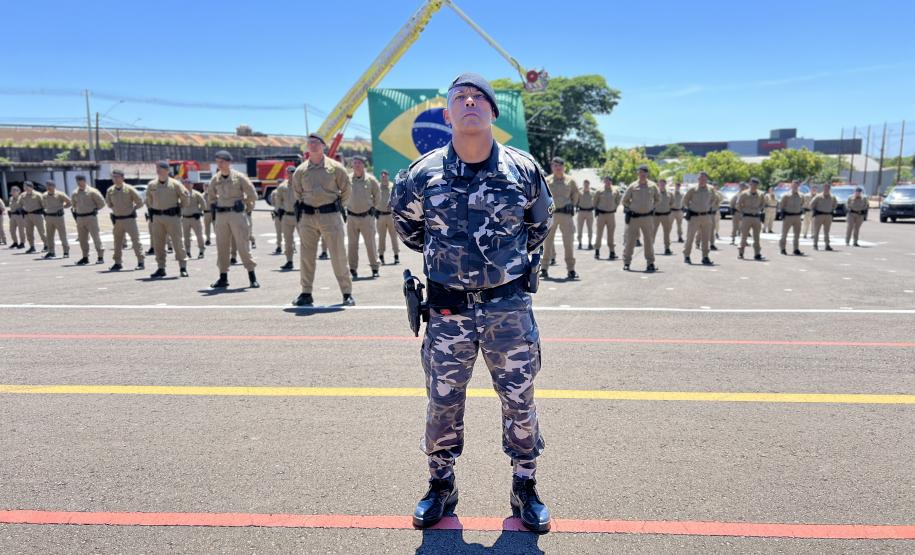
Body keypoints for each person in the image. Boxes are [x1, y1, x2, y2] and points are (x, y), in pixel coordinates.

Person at [392, 73, 553, 533]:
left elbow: (538, 225)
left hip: (508, 308)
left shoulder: (522, 170)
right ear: (447, 115)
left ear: (492, 114)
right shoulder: (422, 175)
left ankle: (526, 485)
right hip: (448, 312)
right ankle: (440, 484)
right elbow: (409, 231)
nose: (469, 101)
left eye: (478, 96)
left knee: (519, 398)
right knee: (442, 400)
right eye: (459, 97)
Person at [291, 134, 354, 306]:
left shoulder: (335, 168)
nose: (312, 145)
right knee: (306, 256)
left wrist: (338, 206)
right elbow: (297, 192)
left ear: (323, 146)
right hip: (308, 217)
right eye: (310, 143)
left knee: (338, 255)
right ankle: (306, 293)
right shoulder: (301, 170)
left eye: (316, 142)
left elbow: (346, 190)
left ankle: (346, 293)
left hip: (330, 216)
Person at [208, 151, 259, 288]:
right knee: (222, 246)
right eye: (217, 162)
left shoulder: (239, 177)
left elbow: (252, 194)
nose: (219, 164)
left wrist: (245, 207)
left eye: (221, 161)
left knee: (243, 245)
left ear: (228, 162)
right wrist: (215, 207)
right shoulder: (215, 179)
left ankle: (252, 276)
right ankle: (223, 277)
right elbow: (211, 197)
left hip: (237, 215)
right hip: (221, 216)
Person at [147, 161, 189, 278]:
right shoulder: (152, 185)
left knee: (177, 243)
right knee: (158, 244)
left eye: (160, 168)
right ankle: (161, 268)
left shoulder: (175, 184)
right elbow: (149, 200)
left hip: (172, 217)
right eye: (157, 168)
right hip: (157, 218)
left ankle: (183, 267)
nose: (158, 170)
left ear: (166, 170)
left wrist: (178, 208)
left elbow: (185, 199)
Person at [542, 156, 578, 279]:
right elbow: (541, 196)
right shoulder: (546, 181)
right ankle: (544, 268)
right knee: (547, 243)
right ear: (552, 167)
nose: (558, 168)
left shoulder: (571, 181)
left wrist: (572, 205)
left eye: (560, 165)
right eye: (555, 166)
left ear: (564, 167)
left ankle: (571, 269)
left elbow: (576, 195)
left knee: (568, 243)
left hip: (566, 215)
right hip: (551, 215)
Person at [346, 155, 381, 278]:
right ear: (352, 165)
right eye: (355, 163)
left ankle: (375, 268)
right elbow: (342, 194)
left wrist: (373, 207)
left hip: (367, 217)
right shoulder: (347, 180)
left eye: (359, 163)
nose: (357, 165)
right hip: (351, 217)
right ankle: (352, 269)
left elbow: (378, 196)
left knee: (370, 244)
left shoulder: (371, 180)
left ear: (363, 165)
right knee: (352, 245)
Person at [621, 164, 660, 272]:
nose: (642, 174)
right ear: (638, 173)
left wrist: (652, 206)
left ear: (647, 173)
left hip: (647, 218)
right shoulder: (633, 186)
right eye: (640, 172)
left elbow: (658, 199)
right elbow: (624, 200)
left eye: (644, 172)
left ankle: (650, 263)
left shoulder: (652, 186)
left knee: (648, 241)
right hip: (634, 217)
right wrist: (630, 208)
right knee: (630, 241)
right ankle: (627, 262)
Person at [106, 168, 145, 271]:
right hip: (118, 220)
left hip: (129, 219)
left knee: (135, 241)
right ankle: (117, 263)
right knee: (117, 242)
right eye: (113, 177)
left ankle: (141, 261)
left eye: (117, 176)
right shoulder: (110, 190)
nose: (115, 179)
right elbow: (109, 203)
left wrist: (133, 209)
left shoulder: (129, 189)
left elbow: (140, 202)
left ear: (122, 177)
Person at [682, 171, 716, 265]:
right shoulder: (693, 189)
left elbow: (714, 199)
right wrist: (690, 208)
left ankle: (705, 256)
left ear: (707, 179)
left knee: (706, 238)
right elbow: (685, 200)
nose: (702, 180)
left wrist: (709, 206)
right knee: (690, 237)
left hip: (706, 216)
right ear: (698, 179)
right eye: (700, 178)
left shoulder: (711, 189)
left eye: (704, 179)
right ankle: (687, 255)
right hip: (694, 216)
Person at [274, 165, 299, 270]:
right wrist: (278, 209)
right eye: (289, 172)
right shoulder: (282, 186)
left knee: (306, 240)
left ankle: (306, 261)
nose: (290, 174)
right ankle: (289, 261)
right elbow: (278, 199)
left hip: (299, 216)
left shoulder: (300, 185)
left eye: (293, 172)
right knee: (287, 240)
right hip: (286, 216)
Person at [735, 177, 765, 260]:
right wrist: (743, 212)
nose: (754, 186)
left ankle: (757, 254)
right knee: (744, 236)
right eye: (752, 184)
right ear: (749, 184)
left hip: (756, 218)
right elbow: (737, 205)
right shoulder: (744, 193)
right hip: (746, 217)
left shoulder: (761, 194)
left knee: (757, 237)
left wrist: (759, 209)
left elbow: (763, 204)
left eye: (756, 184)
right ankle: (741, 253)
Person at [40, 180, 71, 259]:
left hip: (58, 217)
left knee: (62, 235)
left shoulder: (60, 194)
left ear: (54, 186)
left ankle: (66, 251)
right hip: (49, 217)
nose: (49, 187)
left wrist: (63, 207)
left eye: (50, 185)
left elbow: (69, 202)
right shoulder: (44, 195)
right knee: (49, 236)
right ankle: (51, 252)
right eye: (47, 185)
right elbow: (43, 205)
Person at [375, 169, 400, 265]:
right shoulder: (377, 186)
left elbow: (396, 199)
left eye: (385, 175)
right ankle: (381, 256)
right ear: (380, 177)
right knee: (381, 237)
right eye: (382, 175)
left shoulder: (392, 186)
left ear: (388, 176)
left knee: (394, 237)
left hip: (391, 216)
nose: (384, 177)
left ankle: (396, 255)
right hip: (380, 215)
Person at [594, 176, 621, 260]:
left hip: (611, 215)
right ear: (604, 182)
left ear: (611, 182)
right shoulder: (599, 191)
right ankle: (597, 251)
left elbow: (618, 199)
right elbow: (595, 201)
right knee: (599, 233)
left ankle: (612, 252)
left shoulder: (615, 191)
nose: (607, 182)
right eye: (606, 181)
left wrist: (615, 207)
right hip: (601, 215)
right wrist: (597, 209)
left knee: (611, 234)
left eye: (609, 181)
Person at [181, 179, 207, 260]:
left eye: (189, 183)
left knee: (199, 235)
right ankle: (187, 252)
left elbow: (203, 205)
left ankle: (201, 251)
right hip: (185, 218)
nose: (186, 185)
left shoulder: (197, 194)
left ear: (192, 185)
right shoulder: (181, 194)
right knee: (186, 237)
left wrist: (199, 212)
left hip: (195, 218)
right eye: (185, 183)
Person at [777, 179, 805, 256]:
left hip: (797, 217)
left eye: (797, 185)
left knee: (797, 234)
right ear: (791, 186)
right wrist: (783, 214)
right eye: (794, 185)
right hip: (788, 216)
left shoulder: (801, 195)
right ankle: (783, 249)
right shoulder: (786, 195)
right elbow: (781, 205)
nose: (795, 187)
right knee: (784, 234)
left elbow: (802, 204)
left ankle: (796, 249)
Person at [19, 181, 47, 253]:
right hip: (27, 216)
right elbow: (20, 204)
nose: (24, 188)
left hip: (37, 215)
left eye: (25, 186)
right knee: (29, 232)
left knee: (41, 232)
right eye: (24, 186)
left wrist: (46, 215)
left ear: (30, 187)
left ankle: (46, 246)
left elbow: (44, 205)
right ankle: (32, 247)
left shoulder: (38, 195)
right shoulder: (22, 195)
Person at [810, 183, 837, 251]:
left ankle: (827, 245)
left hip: (828, 216)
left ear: (829, 189)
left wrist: (831, 209)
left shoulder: (833, 197)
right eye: (825, 188)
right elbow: (811, 204)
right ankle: (815, 245)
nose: (826, 189)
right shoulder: (818, 196)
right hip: (819, 215)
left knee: (827, 232)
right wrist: (815, 210)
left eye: (827, 188)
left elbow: (835, 204)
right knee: (816, 231)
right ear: (823, 188)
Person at [652, 178, 674, 256]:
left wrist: (668, 209)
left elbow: (672, 203)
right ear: (658, 184)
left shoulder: (669, 194)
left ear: (665, 184)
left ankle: (667, 248)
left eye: (663, 183)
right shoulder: (654, 193)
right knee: (653, 232)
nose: (662, 185)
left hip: (666, 215)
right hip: (656, 216)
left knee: (667, 233)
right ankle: (650, 248)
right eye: (660, 183)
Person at [576, 179, 594, 250]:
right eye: (585, 183)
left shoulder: (592, 192)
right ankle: (580, 243)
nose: (586, 185)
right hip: (581, 212)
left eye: (587, 184)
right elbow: (576, 200)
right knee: (580, 228)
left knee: (590, 229)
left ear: (589, 184)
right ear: (583, 184)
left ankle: (590, 243)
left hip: (589, 212)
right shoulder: (579, 192)